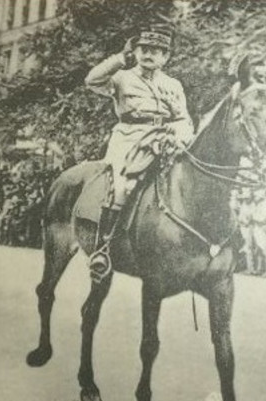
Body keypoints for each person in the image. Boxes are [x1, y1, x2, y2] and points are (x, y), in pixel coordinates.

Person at [82, 25, 195, 283]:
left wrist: (179, 138)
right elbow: (91, 81)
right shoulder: (122, 77)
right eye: (144, 49)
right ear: (135, 51)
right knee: (122, 186)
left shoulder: (173, 84)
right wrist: (120, 59)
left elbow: (183, 119)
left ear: (166, 57)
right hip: (129, 139)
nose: (149, 55)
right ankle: (103, 248)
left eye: (157, 51)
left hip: (165, 139)